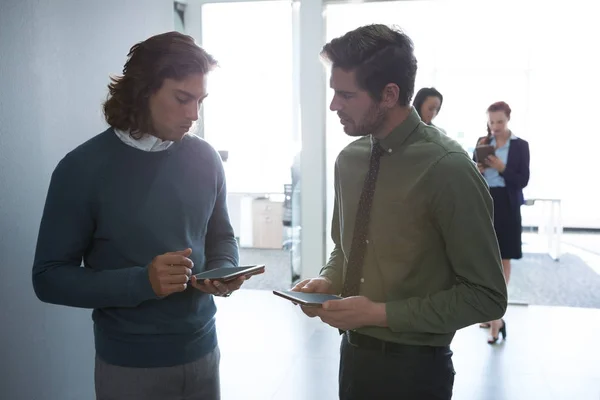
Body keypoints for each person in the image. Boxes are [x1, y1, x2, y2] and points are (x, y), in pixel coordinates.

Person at [292, 24, 507, 400]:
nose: (333, 106)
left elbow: (486, 296)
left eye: (346, 94)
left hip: (416, 372)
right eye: (334, 93)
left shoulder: (448, 168)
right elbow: (346, 249)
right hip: (353, 361)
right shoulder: (350, 160)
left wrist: (377, 314)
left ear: (389, 94)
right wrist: (328, 280)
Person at [32, 32, 247, 400]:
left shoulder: (206, 158)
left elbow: (221, 236)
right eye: (183, 99)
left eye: (200, 101)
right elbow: (48, 278)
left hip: (204, 353)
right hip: (129, 366)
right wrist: (142, 282)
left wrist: (225, 268)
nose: (193, 115)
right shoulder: (81, 169)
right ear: (144, 90)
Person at [474, 101, 530, 344]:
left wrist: (501, 167)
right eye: (491, 122)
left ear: (508, 120)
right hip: (485, 203)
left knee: (503, 258)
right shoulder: (483, 143)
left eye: (499, 122)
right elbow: (472, 174)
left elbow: (523, 180)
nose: (495, 127)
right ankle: (492, 312)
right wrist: (479, 169)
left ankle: (496, 320)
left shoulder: (520, 146)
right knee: (485, 259)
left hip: (507, 205)